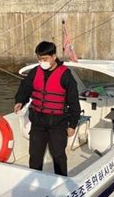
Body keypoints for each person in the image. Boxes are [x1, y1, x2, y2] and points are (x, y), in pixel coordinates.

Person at [14, 41, 81, 176]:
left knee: (58, 155)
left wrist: (72, 125)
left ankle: (61, 179)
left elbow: (74, 103)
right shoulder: (35, 72)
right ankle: (35, 180)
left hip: (58, 123)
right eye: (39, 59)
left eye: (45, 59)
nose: (42, 62)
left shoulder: (66, 75)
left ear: (54, 56)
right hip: (38, 121)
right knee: (35, 155)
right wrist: (20, 101)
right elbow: (25, 88)